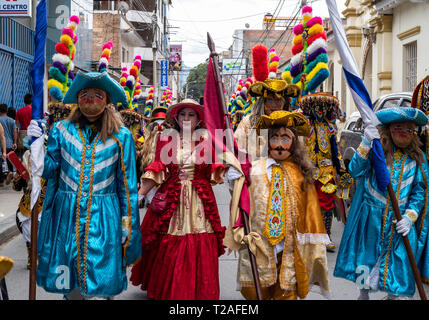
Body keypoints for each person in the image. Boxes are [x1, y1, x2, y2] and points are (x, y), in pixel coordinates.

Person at [28, 70, 142, 299]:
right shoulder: (61, 131)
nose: (90, 99)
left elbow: (127, 188)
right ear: (76, 99)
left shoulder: (122, 136)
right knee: (70, 283)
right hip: (66, 216)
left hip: (104, 218)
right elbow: (50, 171)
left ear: (107, 99)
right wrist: (36, 146)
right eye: (84, 94)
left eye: (97, 94)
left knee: (102, 279)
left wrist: (126, 228)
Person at [226, 110, 330, 300]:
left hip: (289, 250)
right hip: (260, 247)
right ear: (267, 141)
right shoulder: (255, 169)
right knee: (257, 292)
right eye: (275, 138)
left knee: (286, 293)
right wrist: (235, 181)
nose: (280, 144)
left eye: (285, 138)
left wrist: (314, 249)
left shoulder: (301, 174)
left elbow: (312, 215)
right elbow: (242, 201)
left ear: (293, 143)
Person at [130, 99, 227, 300]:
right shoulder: (166, 139)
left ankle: (199, 291)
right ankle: (172, 290)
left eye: (191, 115)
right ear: (176, 117)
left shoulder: (206, 140)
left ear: (198, 118)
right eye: (183, 114)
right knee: (165, 237)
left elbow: (214, 168)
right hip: (172, 196)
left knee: (200, 235)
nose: (186, 118)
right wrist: (138, 194)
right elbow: (158, 166)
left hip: (199, 198)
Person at [334, 106, 429, 300]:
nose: (404, 132)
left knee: (397, 264)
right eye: (399, 127)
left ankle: (392, 298)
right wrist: (366, 142)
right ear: (388, 129)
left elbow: (420, 192)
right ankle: (363, 295)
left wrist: (410, 218)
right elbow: (355, 170)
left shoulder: (417, 159)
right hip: (370, 220)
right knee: (364, 260)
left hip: (399, 222)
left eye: (409, 129)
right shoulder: (376, 152)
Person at [299, 94, 352, 252]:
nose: (320, 111)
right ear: (311, 109)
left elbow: (335, 151)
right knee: (307, 203)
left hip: (326, 172)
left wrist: (341, 170)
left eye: (323, 108)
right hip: (307, 171)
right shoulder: (304, 126)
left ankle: (326, 235)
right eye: (317, 108)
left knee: (327, 204)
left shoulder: (330, 128)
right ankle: (309, 234)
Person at [234, 45, 300, 161]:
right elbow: (237, 153)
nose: (274, 105)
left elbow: (298, 156)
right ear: (262, 103)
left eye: (278, 100)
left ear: (284, 103)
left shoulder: (291, 125)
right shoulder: (248, 123)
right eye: (269, 100)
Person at [0, 104, 17, 186]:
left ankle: (2, 178)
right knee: (9, 161)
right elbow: (15, 131)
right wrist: (15, 142)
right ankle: (10, 173)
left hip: (1, 144)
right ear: (7, 111)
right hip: (9, 144)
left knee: (1, 162)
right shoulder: (11, 120)